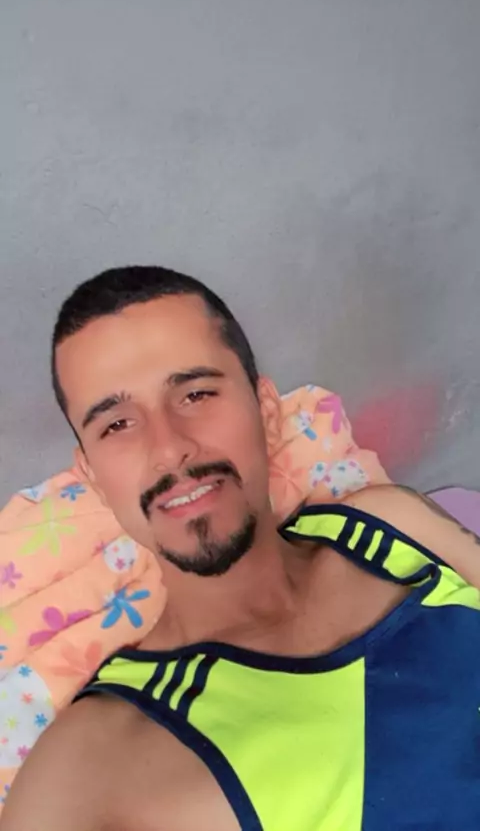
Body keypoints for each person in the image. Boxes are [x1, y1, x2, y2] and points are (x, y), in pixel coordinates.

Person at [2, 265, 480, 831]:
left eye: (195, 393)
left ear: (266, 411)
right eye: (117, 425)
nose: (169, 448)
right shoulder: (94, 760)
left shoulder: (388, 527)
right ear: (93, 477)